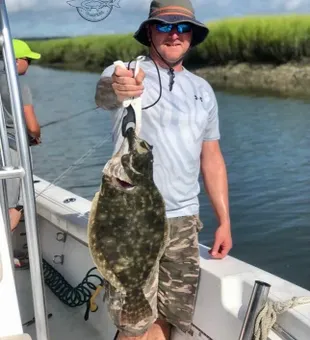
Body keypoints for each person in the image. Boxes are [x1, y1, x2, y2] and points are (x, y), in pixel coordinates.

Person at [95, 0, 233, 339]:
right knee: (132, 323)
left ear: (192, 36)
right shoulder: (127, 71)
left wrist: (224, 221)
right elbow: (105, 93)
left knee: (167, 319)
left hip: (183, 221)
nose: (175, 34)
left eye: (183, 27)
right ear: (149, 32)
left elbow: (212, 157)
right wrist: (119, 85)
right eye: (165, 26)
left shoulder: (203, 90)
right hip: (129, 220)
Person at [0, 39, 41, 236]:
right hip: (13, 152)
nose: (29, 65)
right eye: (28, 60)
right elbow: (32, 126)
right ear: (15, 60)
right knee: (15, 204)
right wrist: (36, 136)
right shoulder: (19, 85)